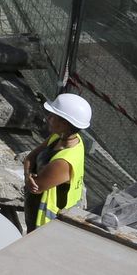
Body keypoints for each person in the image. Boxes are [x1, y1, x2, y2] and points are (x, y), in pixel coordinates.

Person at [22, 92, 91, 231]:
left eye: (53, 116)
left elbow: (36, 187)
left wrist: (29, 175)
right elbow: (29, 158)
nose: (48, 118)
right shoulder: (59, 137)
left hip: (45, 225)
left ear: (64, 123)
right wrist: (27, 174)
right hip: (35, 214)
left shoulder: (63, 162)